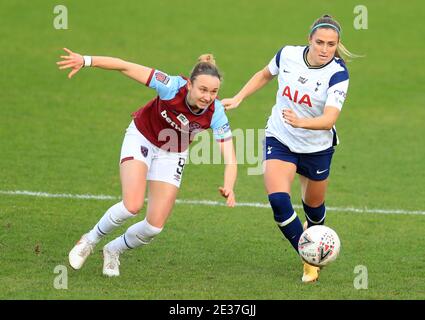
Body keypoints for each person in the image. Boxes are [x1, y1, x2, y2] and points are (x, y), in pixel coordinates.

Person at [57, 48, 237, 276]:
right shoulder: (170, 85)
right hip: (142, 137)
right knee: (132, 205)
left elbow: (230, 157)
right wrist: (86, 60)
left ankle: (113, 250)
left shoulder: (216, 112)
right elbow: (125, 65)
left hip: (172, 154)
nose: (207, 97)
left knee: (153, 227)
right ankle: (89, 240)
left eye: (213, 91)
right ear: (189, 85)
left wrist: (229, 185)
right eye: (202, 89)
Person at [222, 15, 356, 282]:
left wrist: (302, 122)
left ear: (337, 45)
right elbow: (264, 74)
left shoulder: (338, 74)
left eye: (331, 44)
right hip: (280, 138)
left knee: (314, 209)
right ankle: (309, 258)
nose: (325, 49)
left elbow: (329, 119)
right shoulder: (287, 55)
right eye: (320, 42)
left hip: (317, 148)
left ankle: (314, 241)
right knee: (279, 201)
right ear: (309, 39)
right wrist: (238, 97)